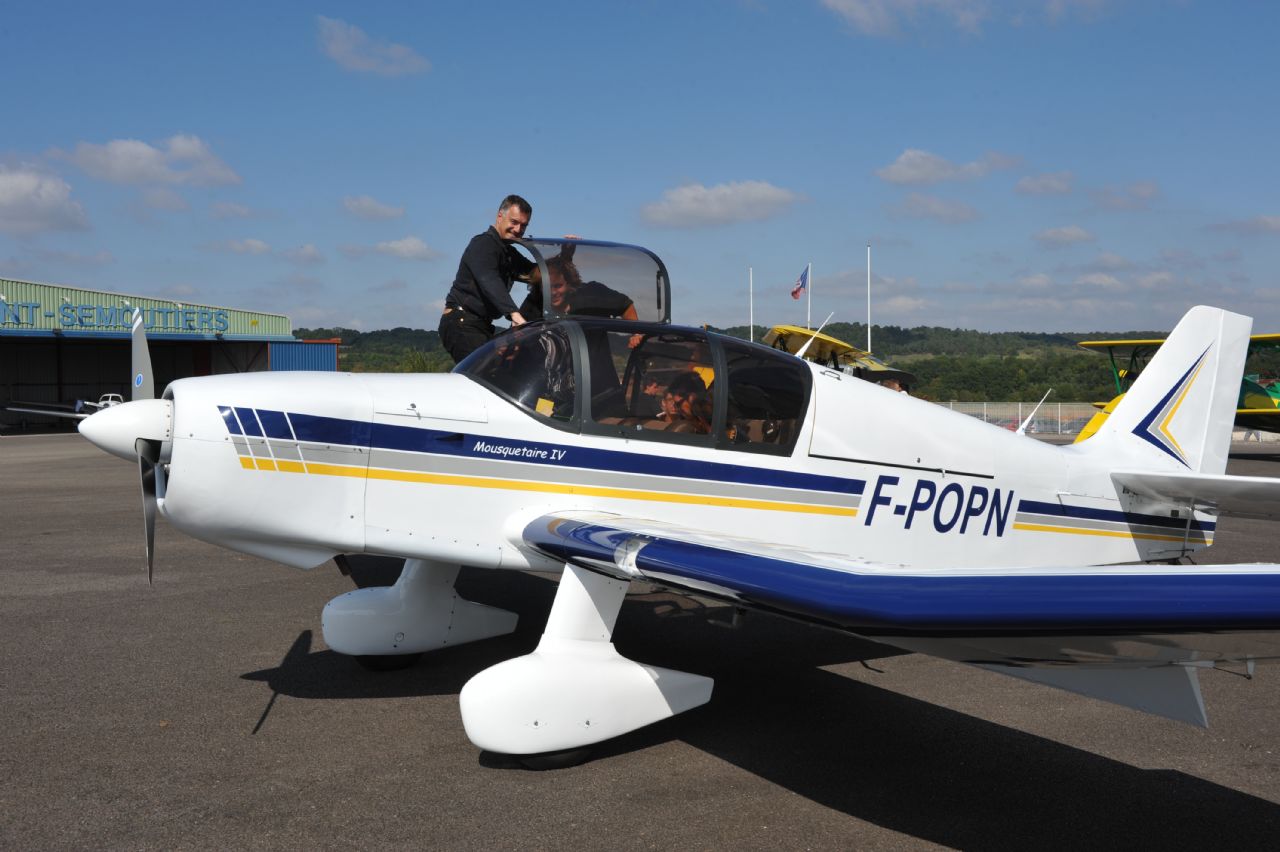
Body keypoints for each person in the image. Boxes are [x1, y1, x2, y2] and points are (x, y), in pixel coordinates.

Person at [438, 195, 536, 364]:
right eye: (514, 222)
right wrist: (514, 314)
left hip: (481, 326)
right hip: (461, 322)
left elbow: (536, 274)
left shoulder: (508, 253)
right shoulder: (483, 244)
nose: (518, 229)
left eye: (523, 225)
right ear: (500, 216)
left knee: (504, 371)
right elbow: (488, 280)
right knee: (486, 373)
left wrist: (565, 254)